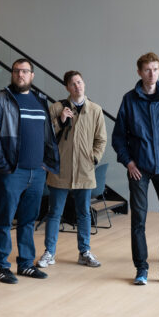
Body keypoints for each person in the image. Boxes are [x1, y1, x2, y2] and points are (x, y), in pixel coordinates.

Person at [111, 52, 159, 286]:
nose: (151, 74)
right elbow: (118, 137)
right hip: (139, 169)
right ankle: (141, 269)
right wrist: (129, 162)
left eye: (155, 69)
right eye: (147, 69)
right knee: (139, 219)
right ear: (139, 72)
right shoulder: (129, 99)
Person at [0, 58, 60, 283]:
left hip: (36, 172)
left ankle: (26, 264)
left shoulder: (40, 101)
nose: (20, 75)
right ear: (12, 73)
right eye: (17, 71)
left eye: (25, 71)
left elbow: (47, 135)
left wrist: (45, 164)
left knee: (29, 220)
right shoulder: (1, 100)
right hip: (12, 172)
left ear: (32, 75)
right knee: (5, 220)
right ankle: (1, 266)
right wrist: (2, 164)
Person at [38, 70, 107, 268]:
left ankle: (84, 252)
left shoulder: (95, 110)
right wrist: (60, 121)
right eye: (73, 84)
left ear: (84, 84)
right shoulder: (57, 107)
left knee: (84, 212)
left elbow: (101, 139)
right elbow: (45, 135)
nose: (77, 86)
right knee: (54, 213)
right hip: (60, 169)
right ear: (67, 87)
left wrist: (94, 158)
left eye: (80, 82)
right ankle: (49, 253)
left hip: (85, 170)